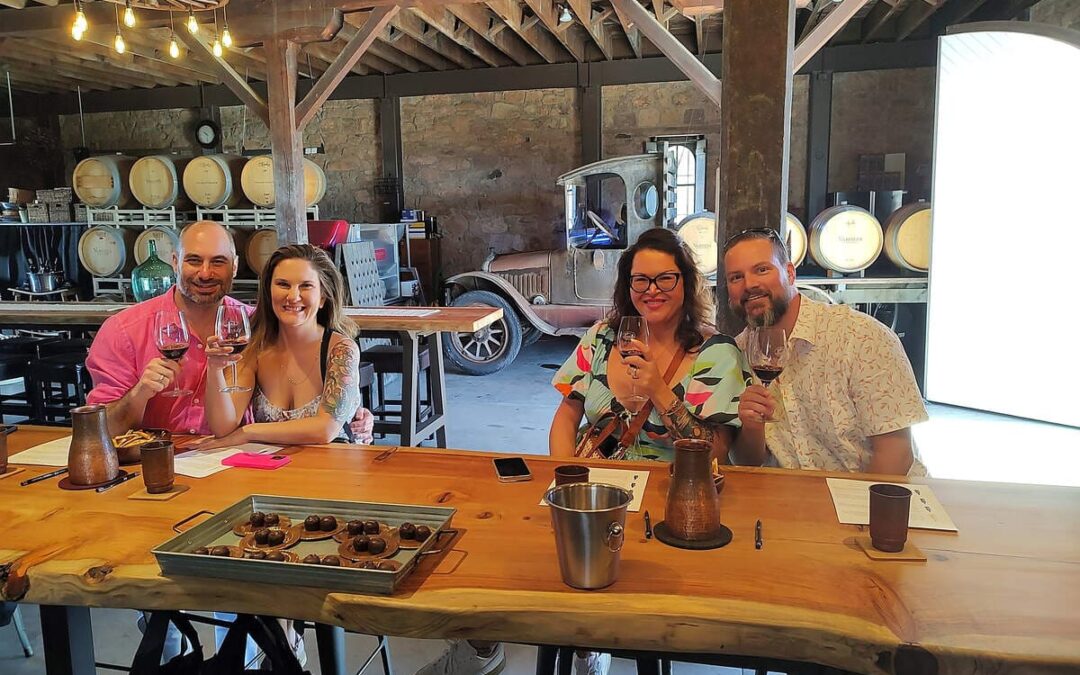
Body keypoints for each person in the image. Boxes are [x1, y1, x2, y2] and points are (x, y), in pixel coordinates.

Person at [723, 227, 928, 475]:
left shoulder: (861, 337)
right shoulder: (737, 353)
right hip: (793, 502)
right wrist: (752, 428)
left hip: (876, 501)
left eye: (762, 269)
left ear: (789, 273)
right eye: (736, 277)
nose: (750, 284)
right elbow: (747, 463)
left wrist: (851, 513)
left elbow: (896, 455)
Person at [550, 226, 747, 463]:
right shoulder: (601, 337)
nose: (652, 290)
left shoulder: (717, 352)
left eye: (665, 278)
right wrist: (564, 474)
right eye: (641, 280)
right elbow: (567, 414)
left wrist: (657, 389)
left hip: (674, 489)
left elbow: (717, 452)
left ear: (687, 282)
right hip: (596, 487)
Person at [86, 220, 251, 437]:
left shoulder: (256, 324)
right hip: (154, 460)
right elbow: (100, 431)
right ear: (175, 262)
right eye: (194, 260)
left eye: (218, 262)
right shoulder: (123, 330)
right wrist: (139, 393)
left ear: (235, 266)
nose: (205, 273)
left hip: (237, 458)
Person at [197, 244, 363, 449]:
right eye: (283, 284)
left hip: (332, 470)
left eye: (306, 286)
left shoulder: (340, 349)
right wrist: (215, 370)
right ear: (268, 291)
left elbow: (325, 430)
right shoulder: (255, 348)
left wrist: (248, 432)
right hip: (274, 470)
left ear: (322, 297)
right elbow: (223, 428)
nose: (293, 296)